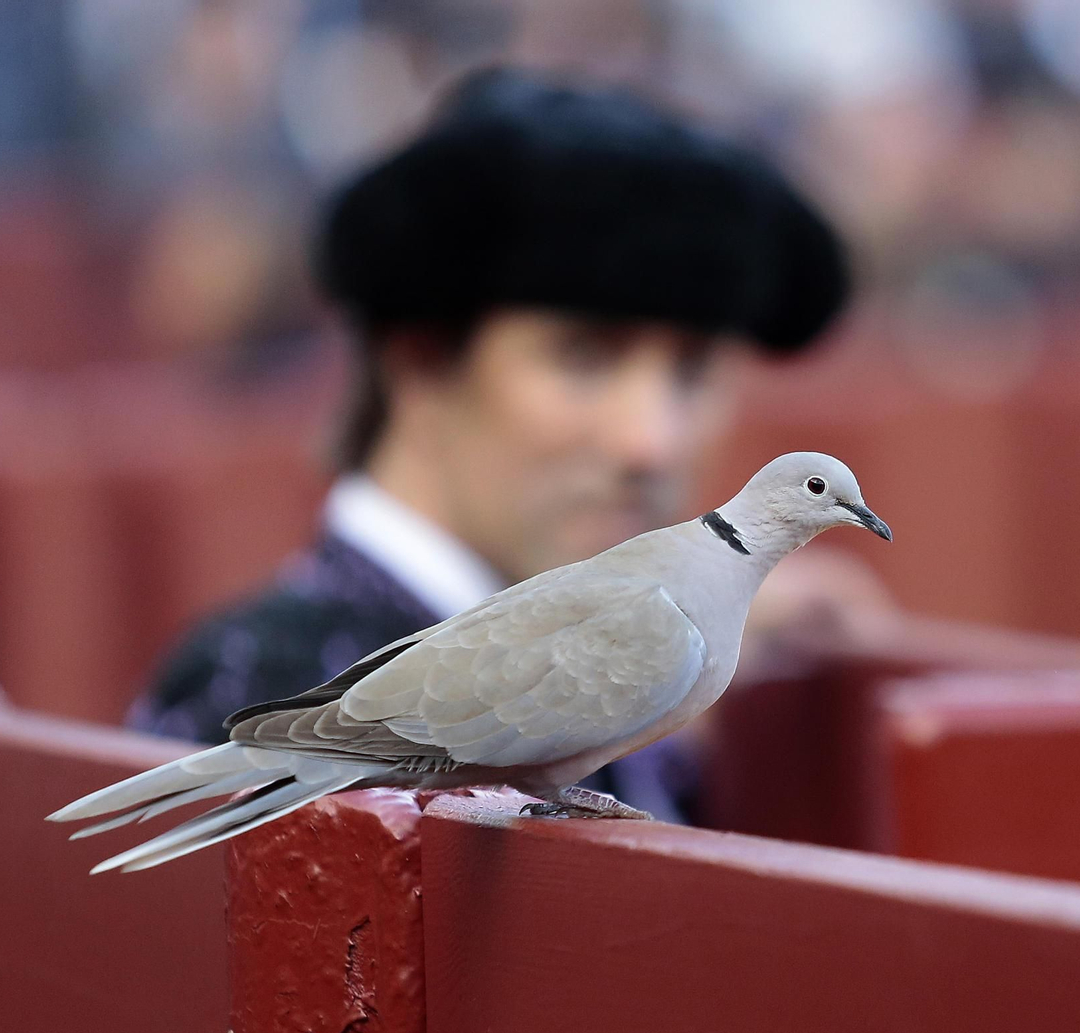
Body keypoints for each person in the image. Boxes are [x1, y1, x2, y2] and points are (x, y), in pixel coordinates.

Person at [128, 67, 867, 820]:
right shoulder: (247, 674)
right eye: (583, 356)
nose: (650, 440)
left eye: (694, 370)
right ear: (419, 360)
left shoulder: (665, 652)